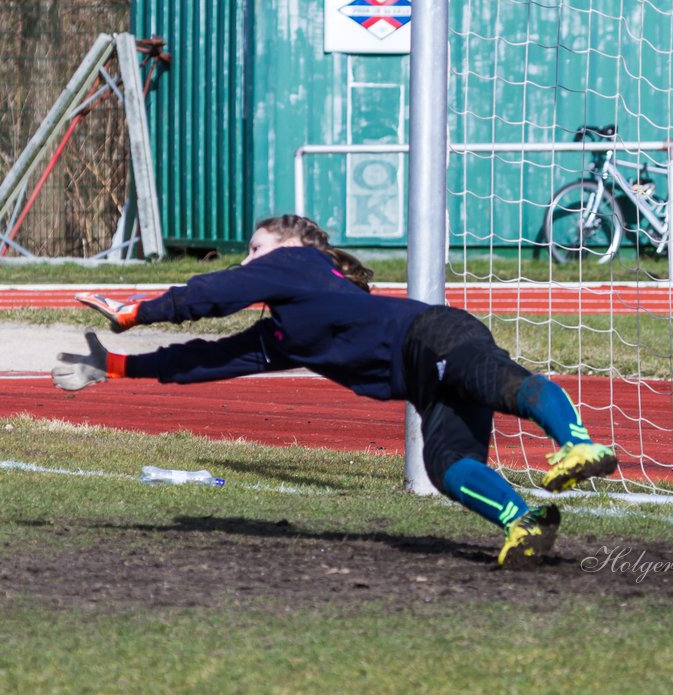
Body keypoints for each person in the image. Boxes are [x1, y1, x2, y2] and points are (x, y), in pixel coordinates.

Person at [52, 215, 618, 567]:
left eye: (256, 248)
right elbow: (211, 358)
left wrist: (141, 310)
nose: (248, 261)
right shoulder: (283, 334)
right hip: (423, 377)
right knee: (446, 465)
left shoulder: (297, 260)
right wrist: (116, 367)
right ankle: (523, 522)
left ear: (292, 247)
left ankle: (578, 443)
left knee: (500, 384)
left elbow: (221, 290)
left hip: (436, 335)